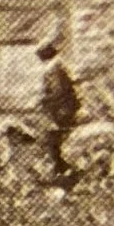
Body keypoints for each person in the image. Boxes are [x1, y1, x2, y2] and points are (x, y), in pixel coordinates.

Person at [36, 41, 81, 184]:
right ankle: (61, 170)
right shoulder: (58, 67)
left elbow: (58, 91)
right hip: (62, 109)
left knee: (52, 140)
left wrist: (43, 100)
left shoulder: (54, 69)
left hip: (62, 111)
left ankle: (61, 171)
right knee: (53, 141)